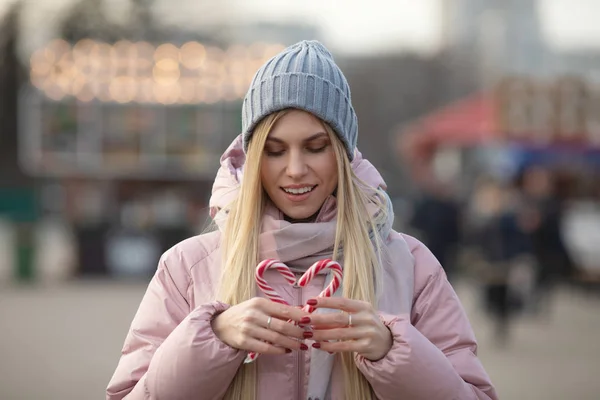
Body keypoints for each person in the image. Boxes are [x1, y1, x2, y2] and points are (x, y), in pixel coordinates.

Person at [106, 40, 497, 400]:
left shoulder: (409, 265)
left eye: (315, 147)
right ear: (254, 157)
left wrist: (394, 350)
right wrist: (213, 338)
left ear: (343, 154)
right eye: (274, 151)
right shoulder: (187, 267)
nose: (295, 169)